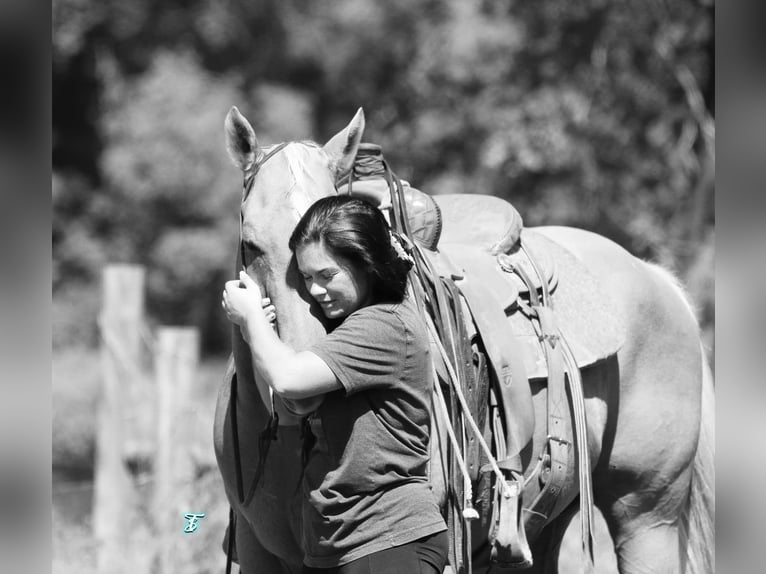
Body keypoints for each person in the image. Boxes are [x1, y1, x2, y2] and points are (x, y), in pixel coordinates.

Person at [222, 195, 449, 574]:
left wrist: (250, 320)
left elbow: (288, 378)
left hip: (387, 540)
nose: (316, 291)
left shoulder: (384, 325)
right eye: (307, 278)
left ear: (367, 264)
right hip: (342, 544)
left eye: (327, 276)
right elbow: (300, 403)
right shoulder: (348, 330)